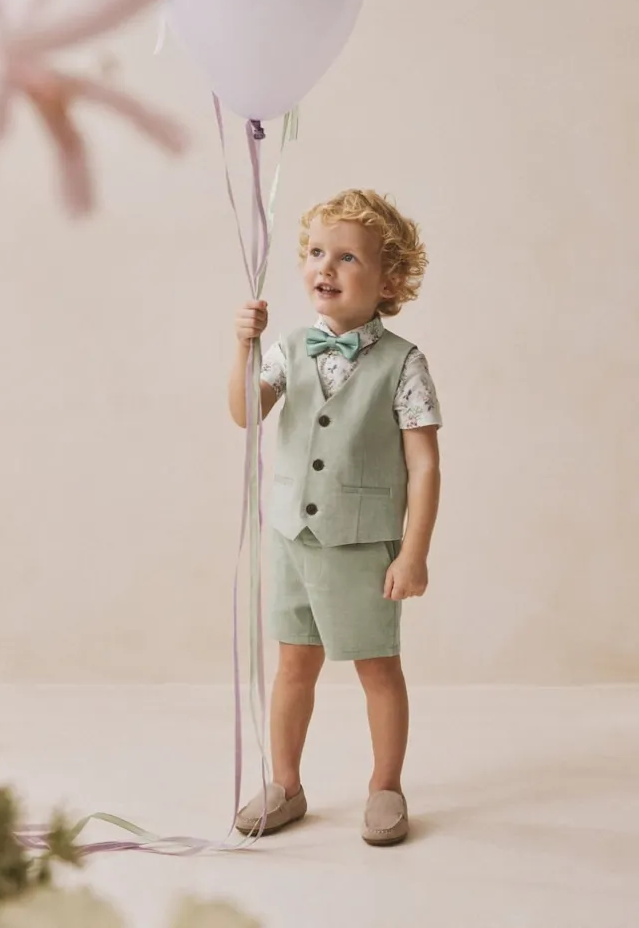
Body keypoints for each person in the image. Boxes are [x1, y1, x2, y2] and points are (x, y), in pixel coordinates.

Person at [228, 189, 442, 846]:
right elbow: (244, 414)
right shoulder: (289, 348)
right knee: (294, 664)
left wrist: (413, 553)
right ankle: (286, 784)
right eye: (318, 252)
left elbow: (424, 466)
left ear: (389, 280)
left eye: (347, 257)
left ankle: (386, 785)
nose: (326, 266)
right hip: (292, 537)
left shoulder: (403, 362)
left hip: (361, 544)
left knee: (377, 666)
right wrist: (243, 347)